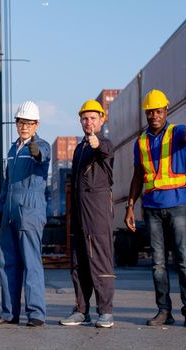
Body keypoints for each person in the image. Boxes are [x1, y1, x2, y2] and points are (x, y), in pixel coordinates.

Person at [125, 89, 186, 328]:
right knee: (158, 263)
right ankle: (164, 311)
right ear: (146, 114)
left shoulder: (177, 131)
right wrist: (129, 207)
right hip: (151, 208)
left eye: (158, 111)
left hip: (177, 205)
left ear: (166, 111)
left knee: (184, 260)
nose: (154, 115)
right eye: (150, 112)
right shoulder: (141, 141)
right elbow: (138, 176)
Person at [0, 100, 50, 327]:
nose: (25, 126)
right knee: (8, 264)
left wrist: (36, 152)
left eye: (29, 123)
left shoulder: (42, 145)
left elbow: (41, 155)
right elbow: (7, 182)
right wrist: (1, 208)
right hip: (11, 214)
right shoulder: (13, 149)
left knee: (31, 263)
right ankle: (9, 313)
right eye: (21, 122)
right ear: (16, 124)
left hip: (30, 213)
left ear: (36, 124)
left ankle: (36, 313)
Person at [59, 100, 116, 328]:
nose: (88, 122)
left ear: (101, 120)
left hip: (98, 212)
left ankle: (106, 311)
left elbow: (105, 152)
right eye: (85, 118)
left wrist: (96, 144)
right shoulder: (80, 148)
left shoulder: (104, 143)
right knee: (79, 262)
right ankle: (82, 310)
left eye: (93, 118)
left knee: (100, 259)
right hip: (80, 213)